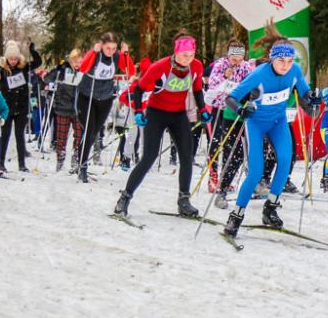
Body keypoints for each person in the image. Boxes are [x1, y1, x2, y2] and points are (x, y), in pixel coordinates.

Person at [221, 24, 319, 237]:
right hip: (255, 124)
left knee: (285, 160)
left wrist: (313, 100)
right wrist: (240, 110)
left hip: (278, 122)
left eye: (290, 61)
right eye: (281, 61)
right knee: (256, 172)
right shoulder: (259, 74)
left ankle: (270, 209)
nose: (286, 65)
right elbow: (231, 98)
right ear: (272, 58)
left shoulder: (294, 71)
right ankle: (236, 216)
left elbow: (305, 93)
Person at [113, 30, 210, 218]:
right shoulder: (160, 66)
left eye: (191, 55)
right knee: (149, 157)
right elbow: (139, 89)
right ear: (176, 52)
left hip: (178, 115)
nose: (188, 59)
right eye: (184, 55)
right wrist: (140, 111)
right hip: (156, 114)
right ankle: (124, 199)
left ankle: (184, 200)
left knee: (187, 156)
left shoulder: (196, 66)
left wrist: (203, 109)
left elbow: (197, 90)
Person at [74, 33, 134, 182]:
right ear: (102, 46)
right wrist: (94, 52)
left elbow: (130, 71)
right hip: (87, 96)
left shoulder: (117, 56)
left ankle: (80, 159)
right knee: (88, 131)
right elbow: (83, 68)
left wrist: (126, 53)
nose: (111, 51)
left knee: (94, 132)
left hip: (105, 98)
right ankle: (82, 166)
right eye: (108, 48)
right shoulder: (96, 53)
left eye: (114, 48)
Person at [205, 39, 256, 193]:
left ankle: (225, 178)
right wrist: (225, 77)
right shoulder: (220, 65)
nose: (237, 62)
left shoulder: (246, 67)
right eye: (234, 59)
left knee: (230, 144)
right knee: (215, 141)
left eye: (240, 59)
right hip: (219, 108)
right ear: (228, 56)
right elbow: (212, 86)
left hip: (234, 110)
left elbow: (252, 85)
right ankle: (212, 177)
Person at [42, 49, 85, 172]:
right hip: (62, 107)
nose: (77, 64)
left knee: (79, 135)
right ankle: (60, 160)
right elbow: (46, 79)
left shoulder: (84, 72)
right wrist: (57, 69)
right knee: (61, 137)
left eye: (80, 61)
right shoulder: (63, 70)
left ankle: (76, 158)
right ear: (70, 60)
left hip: (78, 109)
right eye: (75, 61)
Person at [0, 40, 32, 172]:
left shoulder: (23, 68)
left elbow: (37, 63)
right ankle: (0, 162)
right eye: (10, 58)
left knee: (19, 135)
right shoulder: (2, 70)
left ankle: (22, 163)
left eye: (15, 58)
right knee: (5, 135)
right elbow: (1, 86)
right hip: (7, 107)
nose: (13, 61)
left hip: (21, 107)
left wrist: (31, 50)